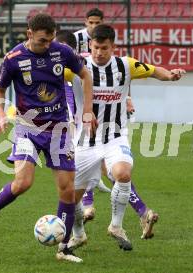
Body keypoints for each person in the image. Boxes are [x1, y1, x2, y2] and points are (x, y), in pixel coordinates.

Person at [0, 14, 97, 263]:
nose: (48, 45)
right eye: (42, 40)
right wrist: (2, 114)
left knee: (67, 191)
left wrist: (88, 111)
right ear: (29, 34)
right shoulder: (14, 58)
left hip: (59, 128)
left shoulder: (62, 51)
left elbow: (86, 75)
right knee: (23, 183)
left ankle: (64, 248)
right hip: (28, 128)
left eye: (51, 40)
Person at [67, 24, 185, 251]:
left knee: (123, 173)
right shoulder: (78, 65)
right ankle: (79, 234)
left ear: (113, 47)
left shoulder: (125, 65)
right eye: (95, 47)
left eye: (104, 48)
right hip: (85, 140)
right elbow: (52, 73)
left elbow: (153, 70)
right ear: (89, 45)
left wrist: (170, 75)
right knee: (73, 199)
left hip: (115, 136)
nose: (99, 52)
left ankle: (116, 226)